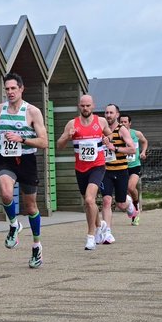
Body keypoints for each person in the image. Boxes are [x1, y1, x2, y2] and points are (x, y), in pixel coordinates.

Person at [0, 73, 49, 269]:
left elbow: (44, 142)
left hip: (27, 160)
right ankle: (14, 224)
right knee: (6, 192)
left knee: (30, 206)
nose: (10, 92)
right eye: (7, 89)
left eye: (13, 88)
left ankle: (36, 246)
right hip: (5, 159)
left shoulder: (32, 112)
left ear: (21, 89)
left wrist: (22, 139)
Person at [55, 94, 115, 251]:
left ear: (93, 106)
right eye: (82, 105)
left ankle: (91, 236)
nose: (85, 108)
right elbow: (59, 145)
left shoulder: (100, 121)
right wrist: (68, 136)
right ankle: (99, 224)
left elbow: (109, 134)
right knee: (88, 203)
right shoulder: (72, 124)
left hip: (98, 165)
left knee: (89, 199)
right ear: (79, 106)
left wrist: (108, 139)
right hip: (80, 168)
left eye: (88, 105)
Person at [97, 104, 138, 244]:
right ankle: (107, 232)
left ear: (117, 114)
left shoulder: (122, 130)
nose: (108, 115)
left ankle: (130, 205)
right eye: (106, 112)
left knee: (121, 204)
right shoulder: (101, 130)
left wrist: (114, 148)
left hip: (121, 171)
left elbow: (132, 149)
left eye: (111, 113)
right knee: (106, 201)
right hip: (105, 171)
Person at [119, 114, 148, 225]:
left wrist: (143, 152)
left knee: (131, 187)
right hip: (122, 166)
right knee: (124, 192)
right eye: (121, 122)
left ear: (130, 123)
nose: (123, 124)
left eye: (125, 122)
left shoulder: (136, 133)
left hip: (135, 165)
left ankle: (136, 206)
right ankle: (133, 212)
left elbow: (145, 141)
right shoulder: (116, 134)